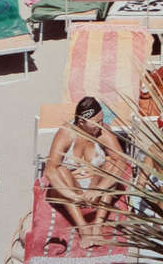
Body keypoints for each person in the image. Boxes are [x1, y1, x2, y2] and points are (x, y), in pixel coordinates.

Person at [46, 97, 126, 249]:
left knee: (111, 164)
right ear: (82, 121)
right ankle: (83, 228)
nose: (100, 125)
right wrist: (71, 195)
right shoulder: (66, 134)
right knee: (61, 170)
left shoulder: (102, 132)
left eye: (102, 120)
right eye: (96, 122)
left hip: (95, 188)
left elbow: (121, 161)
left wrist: (99, 188)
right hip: (72, 189)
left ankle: (97, 225)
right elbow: (50, 169)